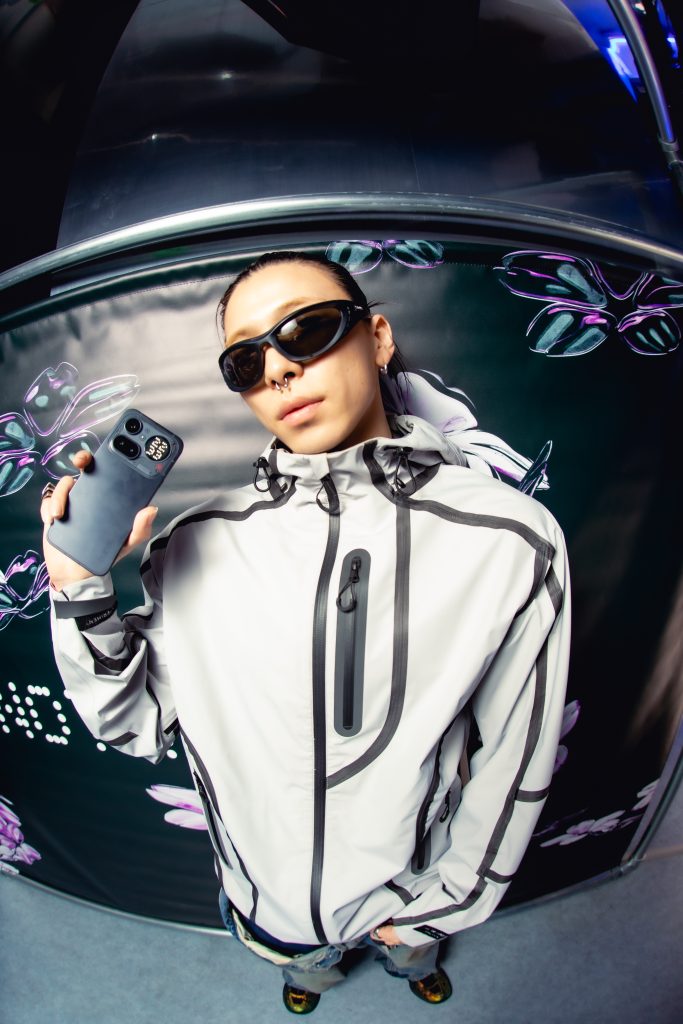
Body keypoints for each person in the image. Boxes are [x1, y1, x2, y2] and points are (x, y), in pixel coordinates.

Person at [42, 251, 571, 1015]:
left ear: (377, 338)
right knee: (301, 967)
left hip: (412, 894)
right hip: (267, 897)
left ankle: (416, 964)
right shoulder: (194, 545)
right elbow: (134, 724)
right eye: (246, 361)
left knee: (414, 955)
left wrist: (448, 902)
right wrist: (80, 587)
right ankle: (306, 977)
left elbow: (513, 755)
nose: (279, 370)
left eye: (308, 330)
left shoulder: (509, 539)